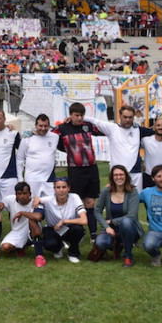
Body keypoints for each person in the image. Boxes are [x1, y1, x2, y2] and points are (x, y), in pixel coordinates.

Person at [52, 102, 104, 238]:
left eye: (81, 115)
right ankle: (77, 232)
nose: (79, 118)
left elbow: (104, 130)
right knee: (76, 202)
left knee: (90, 202)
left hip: (91, 168)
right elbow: (49, 136)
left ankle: (93, 235)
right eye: (76, 115)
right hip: (75, 170)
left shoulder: (88, 126)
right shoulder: (62, 128)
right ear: (70, 115)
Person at [83, 105, 156, 193]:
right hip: (117, 174)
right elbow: (94, 121)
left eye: (130, 117)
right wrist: (72, 119)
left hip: (135, 172)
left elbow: (158, 132)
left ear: (133, 117)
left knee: (135, 201)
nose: (128, 120)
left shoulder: (139, 130)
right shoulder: (112, 128)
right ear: (120, 116)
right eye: (125, 117)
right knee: (117, 201)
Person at [93, 165, 144, 267]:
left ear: (126, 176)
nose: (118, 177)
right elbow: (97, 211)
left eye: (121, 174)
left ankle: (128, 256)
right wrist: (107, 227)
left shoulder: (132, 192)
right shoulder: (106, 191)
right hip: (111, 229)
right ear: (112, 177)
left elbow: (132, 216)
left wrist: (111, 221)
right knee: (101, 243)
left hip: (130, 228)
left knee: (125, 221)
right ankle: (118, 246)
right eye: (115, 175)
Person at [37, 177, 88, 263]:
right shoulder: (48, 200)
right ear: (54, 189)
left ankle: (73, 253)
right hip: (53, 229)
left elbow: (84, 220)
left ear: (69, 188)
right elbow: (35, 200)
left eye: (64, 187)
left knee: (78, 230)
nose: (61, 190)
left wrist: (64, 221)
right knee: (48, 244)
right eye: (58, 187)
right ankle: (58, 247)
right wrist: (35, 199)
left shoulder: (75, 197)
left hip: (70, 228)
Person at [0, 182, 46, 267]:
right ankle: (22, 246)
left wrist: (22, 213)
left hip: (33, 229)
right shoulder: (10, 199)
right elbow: (1, 205)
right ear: (16, 194)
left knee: (32, 220)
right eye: (19, 194)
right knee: (5, 248)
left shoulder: (35, 202)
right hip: (17, 231)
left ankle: (40, 256)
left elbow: (38, 216)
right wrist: (0, 205)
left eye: (25, 193)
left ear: (30, 194)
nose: (22, 196)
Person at [16, 113, 58, 197]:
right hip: (32, 179)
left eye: (46, 126)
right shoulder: (27, 138)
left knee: (51, 206)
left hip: (49, 178)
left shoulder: (55, 137)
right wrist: (20, 178)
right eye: (40, 126)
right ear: (35, 125)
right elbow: (20, 159)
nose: (43, 128)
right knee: (33, 205)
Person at [141, 117, 162, 188]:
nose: (161, 127)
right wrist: (140, 164)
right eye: (158, 125)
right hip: (148, 177)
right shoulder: (145, 140)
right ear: (153, 128)